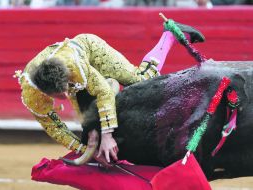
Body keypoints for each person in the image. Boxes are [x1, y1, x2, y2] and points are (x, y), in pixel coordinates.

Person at [14, 17, 205, 166]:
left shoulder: (74, 67)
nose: (63, 96)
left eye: (64, 90)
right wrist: (84, 150)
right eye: (58, 95)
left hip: (91, 50)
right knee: (88, 125)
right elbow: (55, 128)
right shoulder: (32, 95)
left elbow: (104, 92)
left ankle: (169, 35)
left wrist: (106, 136)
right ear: (44, 92)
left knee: (140, 80)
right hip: (78, 77)